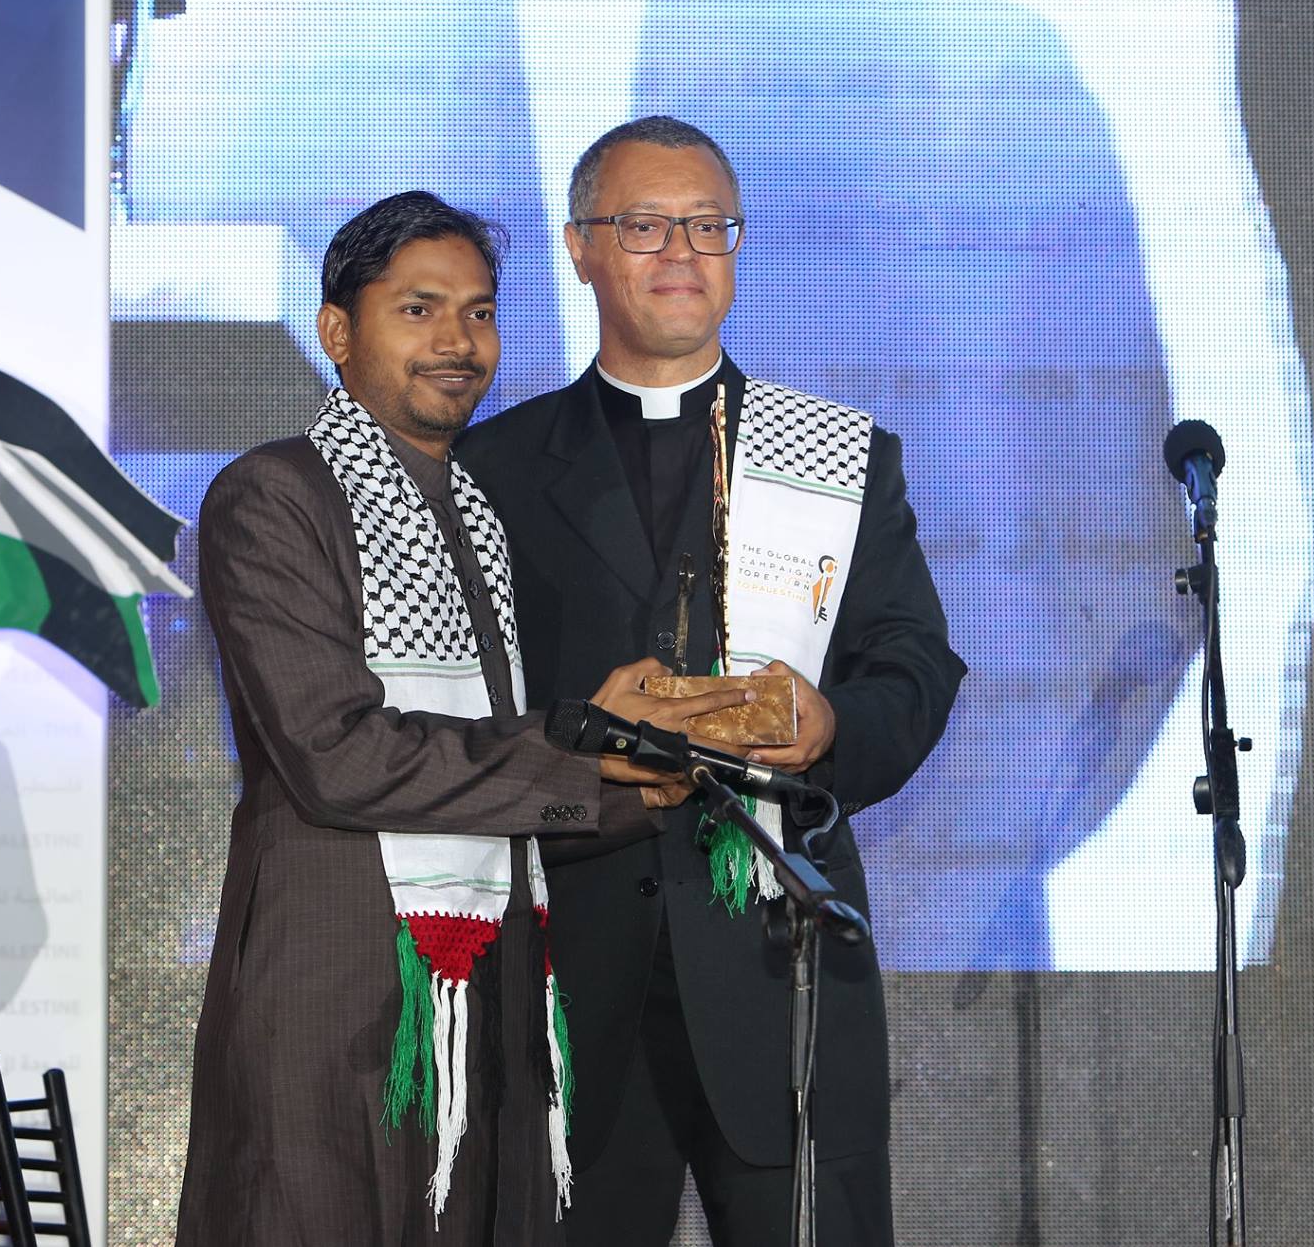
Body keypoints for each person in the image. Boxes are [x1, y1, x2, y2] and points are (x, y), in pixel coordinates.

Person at [175, 190, 754, 1247]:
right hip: (341, 991)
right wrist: (584, 753)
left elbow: (507, 769)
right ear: (337, 332)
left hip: (491, 997)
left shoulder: (477, 514)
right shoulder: (274, 496)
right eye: (420, 310)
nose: (458, 341)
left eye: (480, 313)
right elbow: (338, 756)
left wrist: (666, 776)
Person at [457, 118, 966, 1245]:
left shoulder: (834, 457)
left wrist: (829, 724)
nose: (681, 251)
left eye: (708, 225)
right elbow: (462, 719)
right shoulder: (493, 469)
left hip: (781, 977)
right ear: (581, 247)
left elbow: (915, 667)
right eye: (645, 225)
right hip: (569, 981)